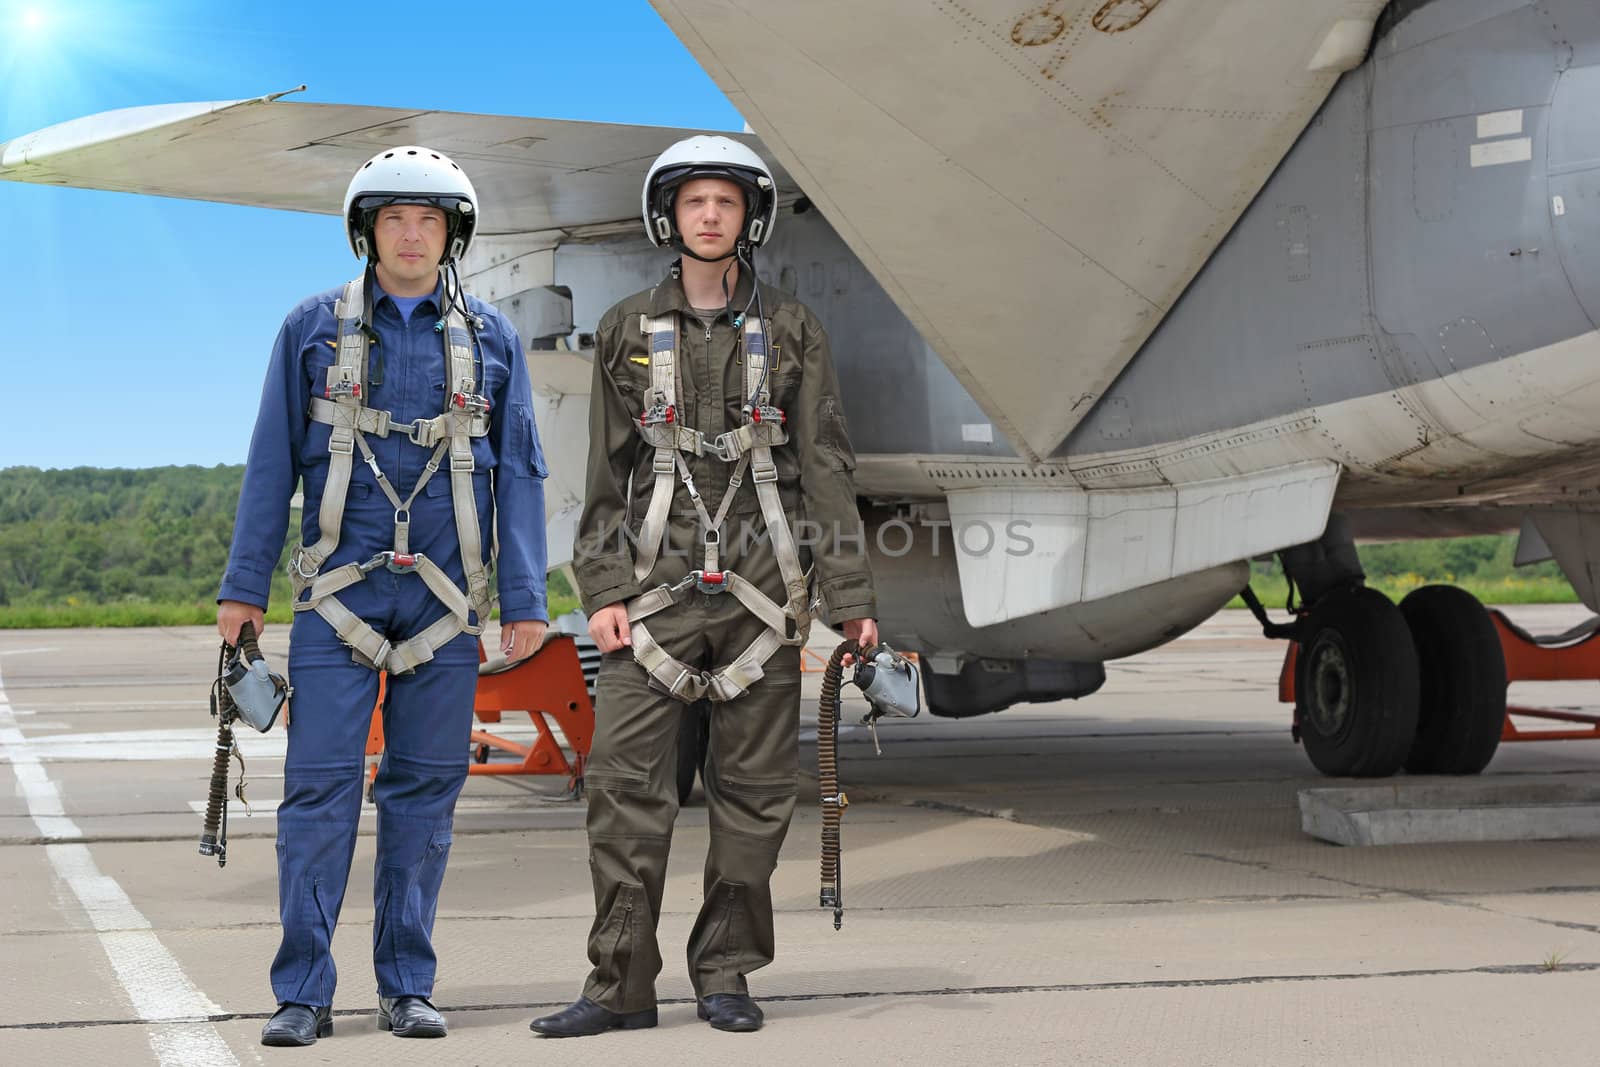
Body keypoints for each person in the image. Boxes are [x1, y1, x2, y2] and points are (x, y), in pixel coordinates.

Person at [530, 135, 877, 1038]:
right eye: (695, 203)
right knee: (625, 791)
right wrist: (601, 587)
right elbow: (604, 472)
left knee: (755, 797)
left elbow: (827, 467)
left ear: (748, 218)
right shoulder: (623, 334)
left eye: (725, 202)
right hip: (653, 596)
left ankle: (725, 972)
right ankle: (619, 986)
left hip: (765, 596)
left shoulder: (795, 331)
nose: (711, 216)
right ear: (670, 219)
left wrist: (850, 600)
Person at [217, 146, 549, 1046]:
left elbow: (518, 472)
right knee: (319, 791)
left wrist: (525, 600)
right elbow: (270, 461)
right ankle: (303, 992)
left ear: (452, 235)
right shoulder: (311, 331)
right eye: (396, 218)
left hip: (444, 604)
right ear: (368, 231)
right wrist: (243, 587)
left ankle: (407, 983)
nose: (412, 234)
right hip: (337, 601)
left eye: (429, 220)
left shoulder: (492, 341)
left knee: (426, 795)